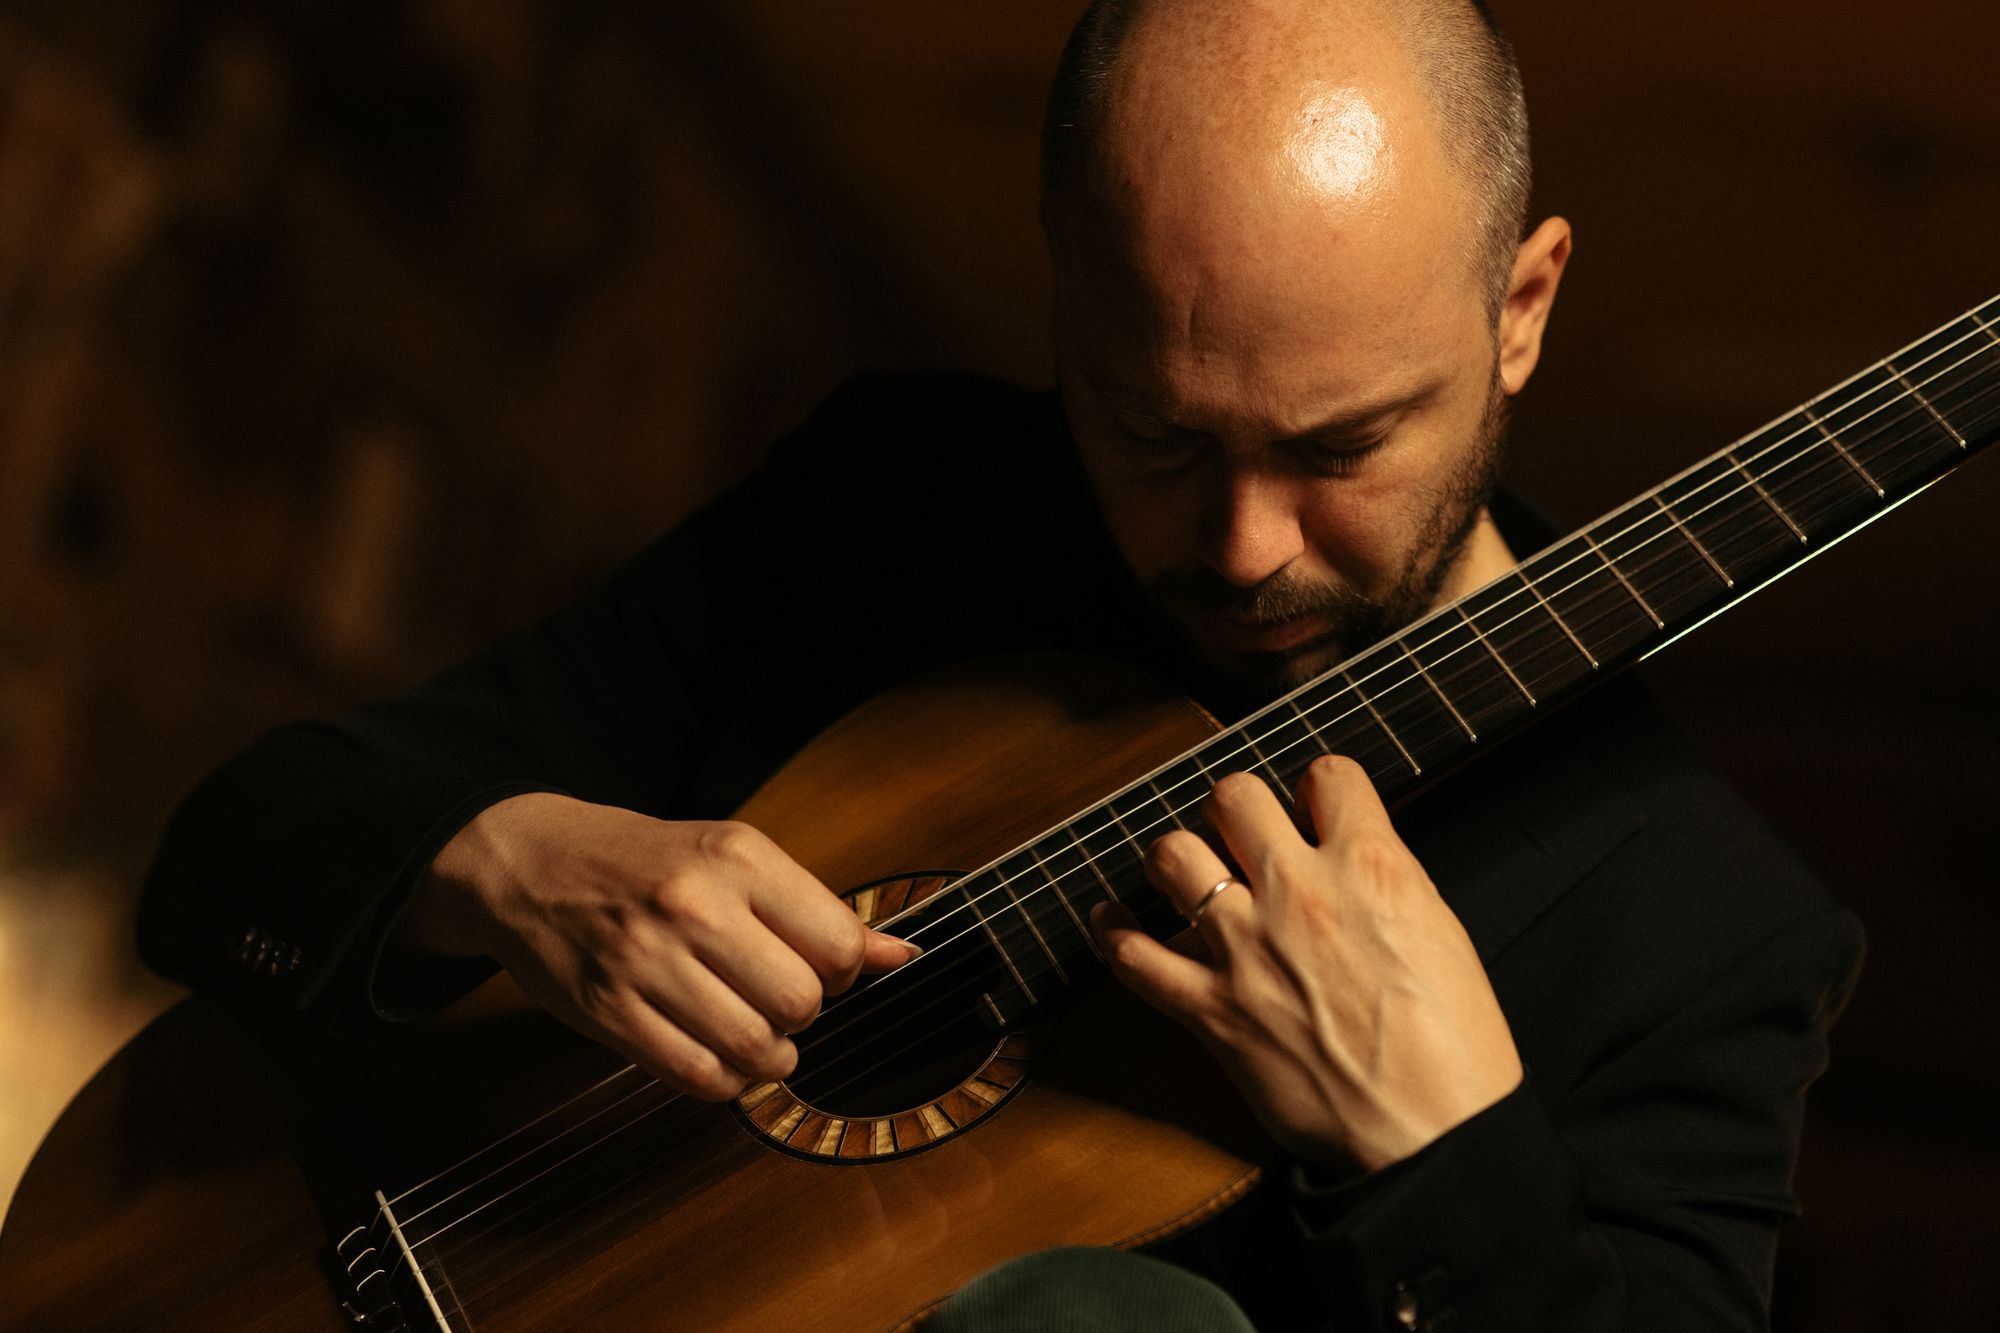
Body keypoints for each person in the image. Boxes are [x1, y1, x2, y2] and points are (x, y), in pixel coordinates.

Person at [136, 0, 1863, 1328]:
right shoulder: (910, 504)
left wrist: (1448, 1153)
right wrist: (503, 862)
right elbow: (235, 848)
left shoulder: (1710, 933)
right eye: (1155, 431)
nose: (1243, 543)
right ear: (1065, 294)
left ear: (1523, 308)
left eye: (1339, 446)